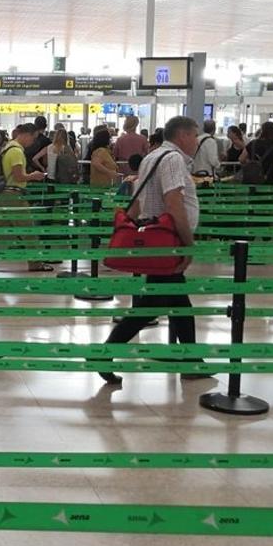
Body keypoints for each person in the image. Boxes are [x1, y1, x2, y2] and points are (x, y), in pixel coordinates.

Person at [100, 116, 206, 385]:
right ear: (182, 135)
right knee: (154, 306)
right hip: (167, 243)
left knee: (177, 302)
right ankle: (104, 353)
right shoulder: (172, 159)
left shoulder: (151, 157)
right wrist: (188, 244)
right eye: (194, 136)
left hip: (158, 241)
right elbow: (173, 204)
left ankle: (191, 361)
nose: (196, 141)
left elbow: (138, 204)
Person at [0, 122, 49, 272]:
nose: (33, 142)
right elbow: (19, 176)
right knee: (28, 230)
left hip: (5, 194)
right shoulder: (16, 152)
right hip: (14, 195)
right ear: (27, 135)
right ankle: (36, 263)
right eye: (33, 138)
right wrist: (34, 176)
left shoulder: (8, 147)